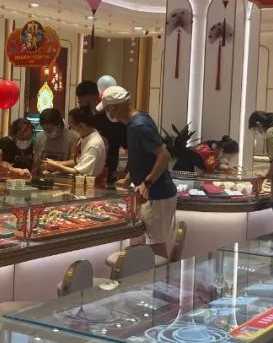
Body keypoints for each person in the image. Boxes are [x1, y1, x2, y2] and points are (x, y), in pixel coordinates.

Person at [98, 87, 177, 260]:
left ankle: (163, 277)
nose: (109, 114)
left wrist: (146, 183)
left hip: (157, 195)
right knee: (145, 246)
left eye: (108, 110)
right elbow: (140, 157)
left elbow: (164, 156)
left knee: (156, 248)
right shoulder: (138, 121)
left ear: (115, 108)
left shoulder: (139, 126)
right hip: (153, 195)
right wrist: (128, 180)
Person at [76, 80, 127, 182]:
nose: (84, 107)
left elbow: (131, 148)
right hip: (83, 173)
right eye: (80, 103)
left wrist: (126, 173)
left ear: (97, 98)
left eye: (87, 104)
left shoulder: (113, 120)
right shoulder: (82, 118)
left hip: (107, 174)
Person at [42, 107, 108, 185]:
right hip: (81, 183)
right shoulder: (85, 137)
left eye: (71, 125)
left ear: (81, 126)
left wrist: (56, 165)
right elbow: (77, 161)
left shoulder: (94, 144)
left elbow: (80, 172)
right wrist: (57, 163)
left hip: (91, 185)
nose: (71, 128)